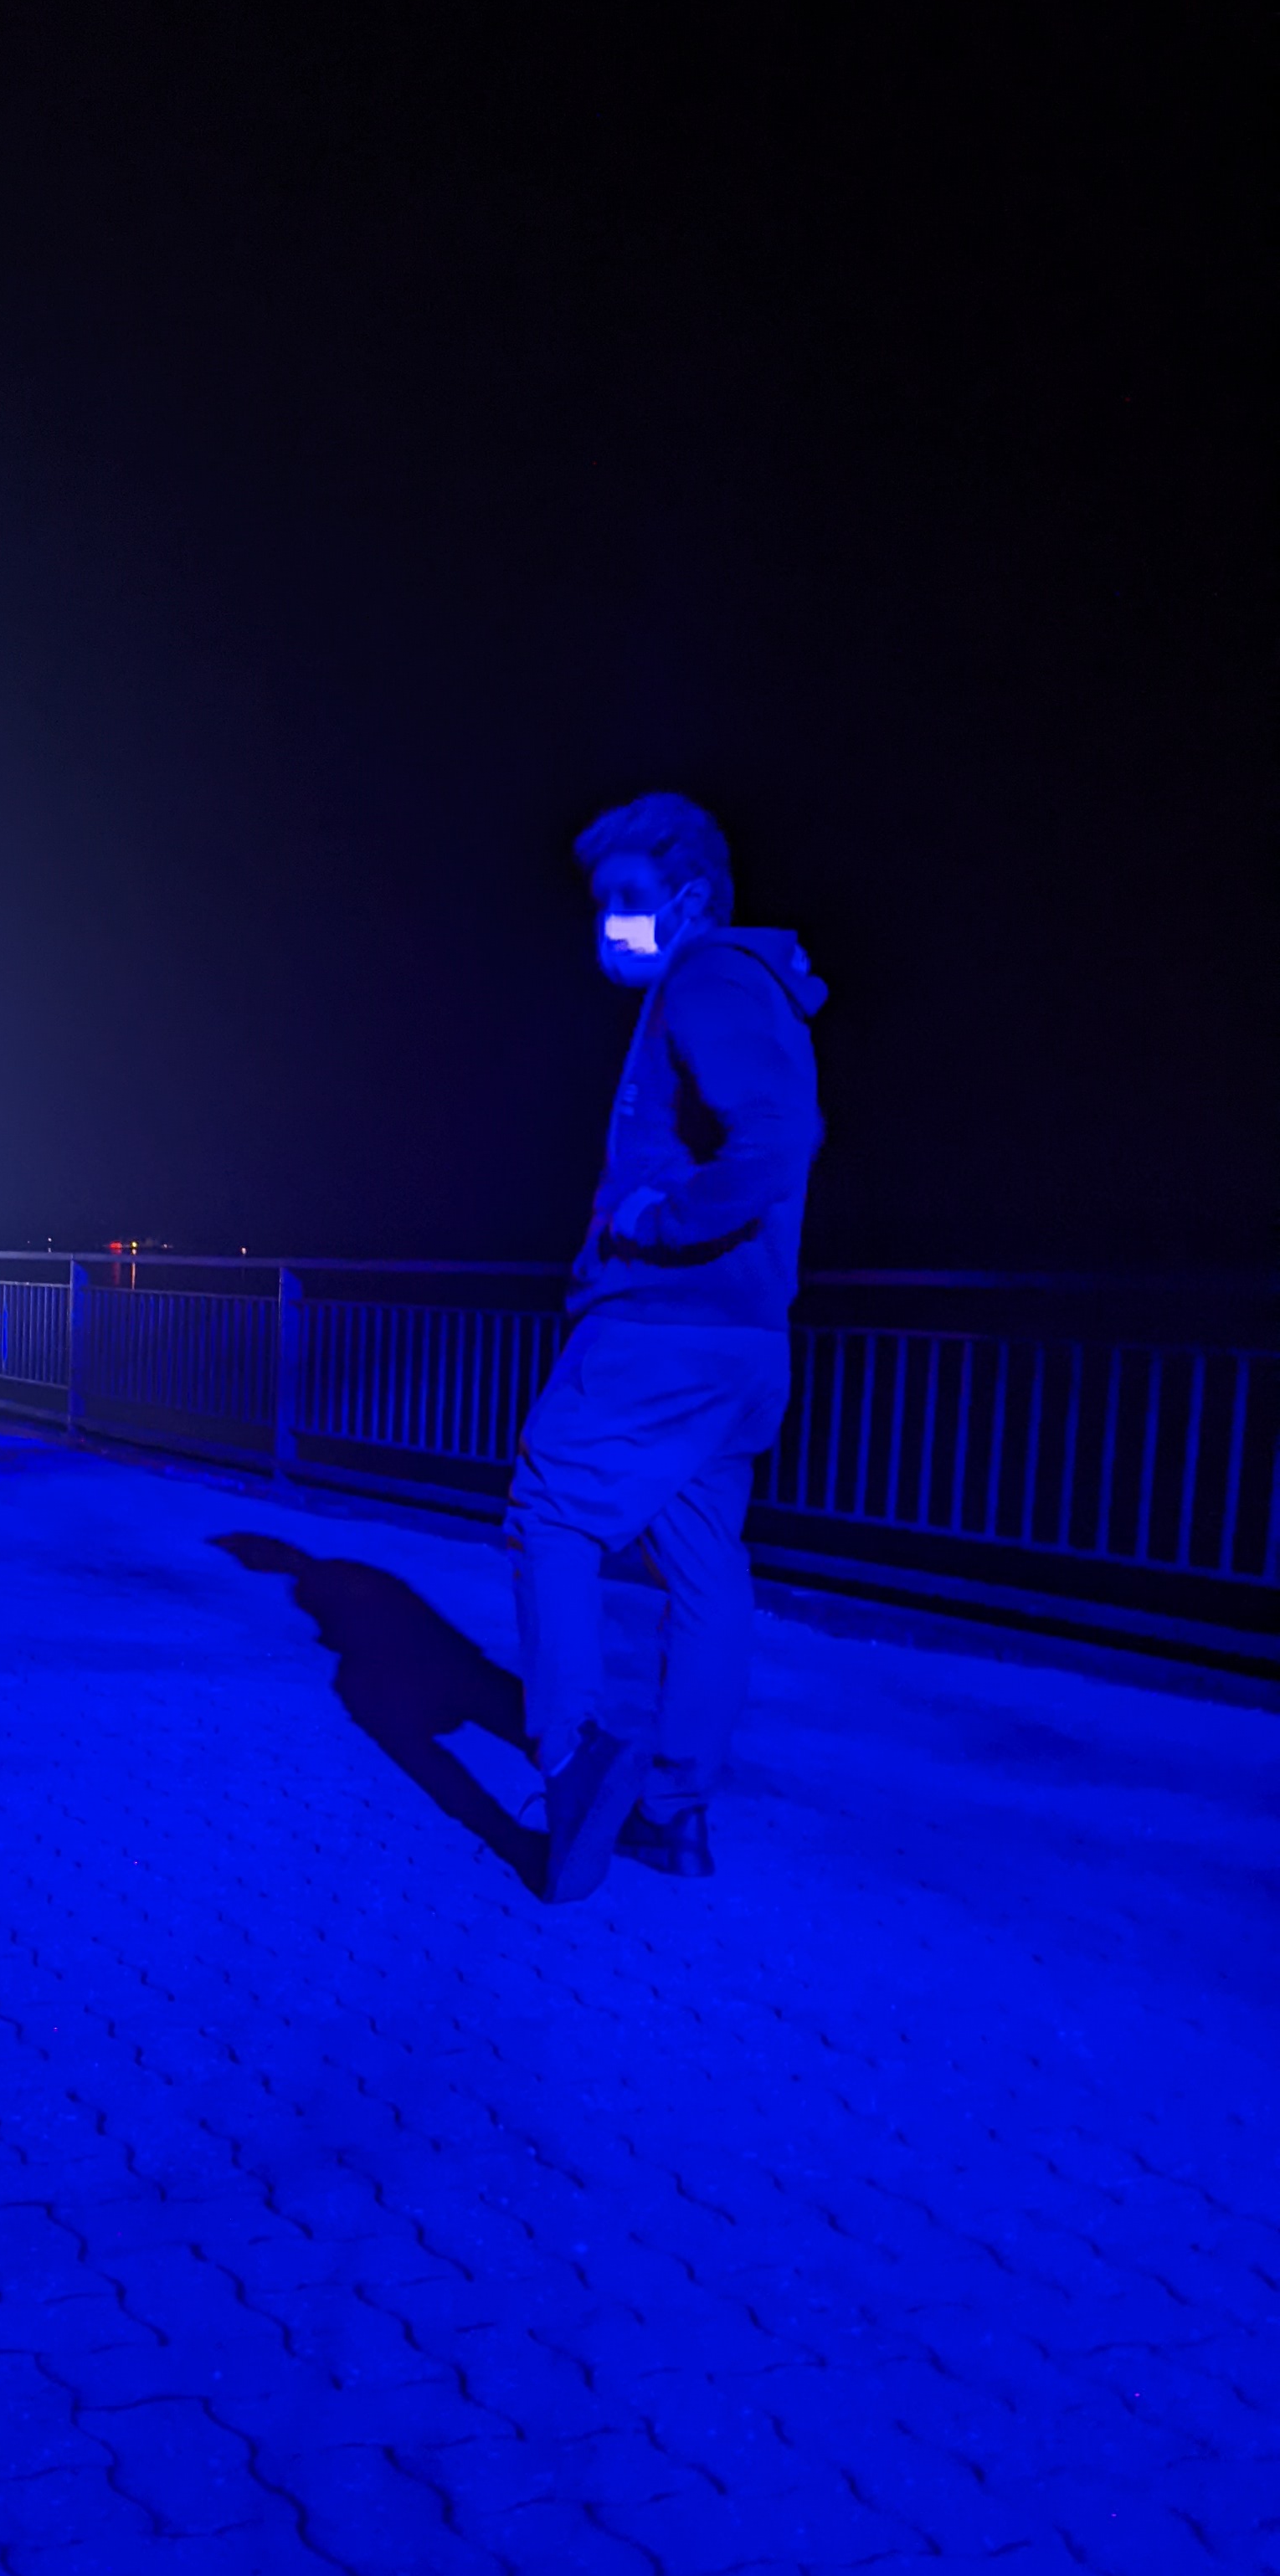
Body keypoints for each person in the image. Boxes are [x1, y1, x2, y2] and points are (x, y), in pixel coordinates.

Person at [506, 793, 825, 1899]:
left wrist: (662, 1222)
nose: (610, 922)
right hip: (742, 1349)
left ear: (689, 898)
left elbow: (777, 1141)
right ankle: (674, 1815)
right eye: (602, 902)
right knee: (701, 1563)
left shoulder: (707, 977)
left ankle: (572, 1764)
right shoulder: (750, 987)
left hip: (661, 1334)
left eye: (629, 898)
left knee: (552, 1513)